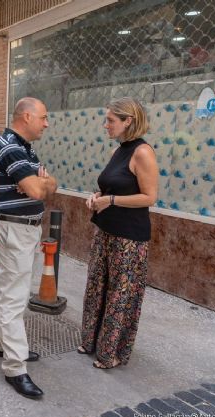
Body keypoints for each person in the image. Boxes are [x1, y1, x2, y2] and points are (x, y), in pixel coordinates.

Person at [78, 97, 159, 370]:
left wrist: (110, 201)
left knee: (119, 296)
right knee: (96, 287)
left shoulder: (143, 152)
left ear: (128, 122)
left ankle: (111, 352)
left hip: (129, 238)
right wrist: (98, 195)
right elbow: (114, 187)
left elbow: (149, 197)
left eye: (111, 121)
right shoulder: (119, 151)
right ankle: (91, 342)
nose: (106, 125)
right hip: (105, 230)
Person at [0, 97, 57, 399]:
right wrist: (37, 184)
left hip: (21, 229)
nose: (46, 123)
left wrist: (43, 183)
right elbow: (36, 190)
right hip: (15, 229)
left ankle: (1, 343)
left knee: (9, 290)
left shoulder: (24, 148)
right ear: (27, 116)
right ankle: (15, 367)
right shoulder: (11, 147)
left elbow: (49, 185)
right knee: (13, 298)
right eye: (43, 117)